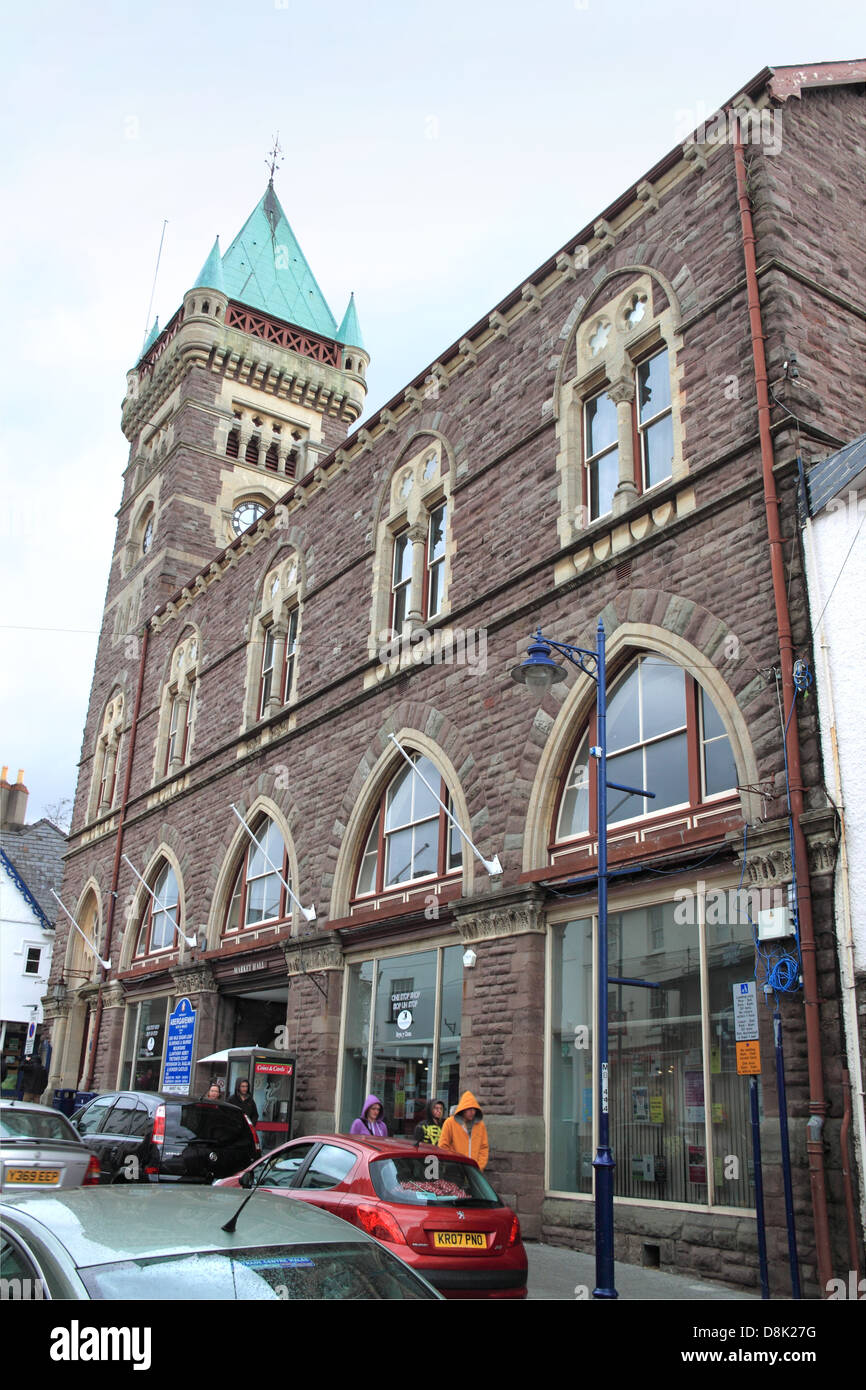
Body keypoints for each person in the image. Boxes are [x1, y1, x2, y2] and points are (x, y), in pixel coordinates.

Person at [437, 1090, 489, 1170]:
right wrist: (453, 1163)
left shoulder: (480, 1125)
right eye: (469, 1109)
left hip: (474, 1170)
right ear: (462, 1109)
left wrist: (479, 1166)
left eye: (474, 1109)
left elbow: (483, 1148)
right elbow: (443, 1146)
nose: (472, 1112)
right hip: (454, 1169)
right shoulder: (450, 1123)